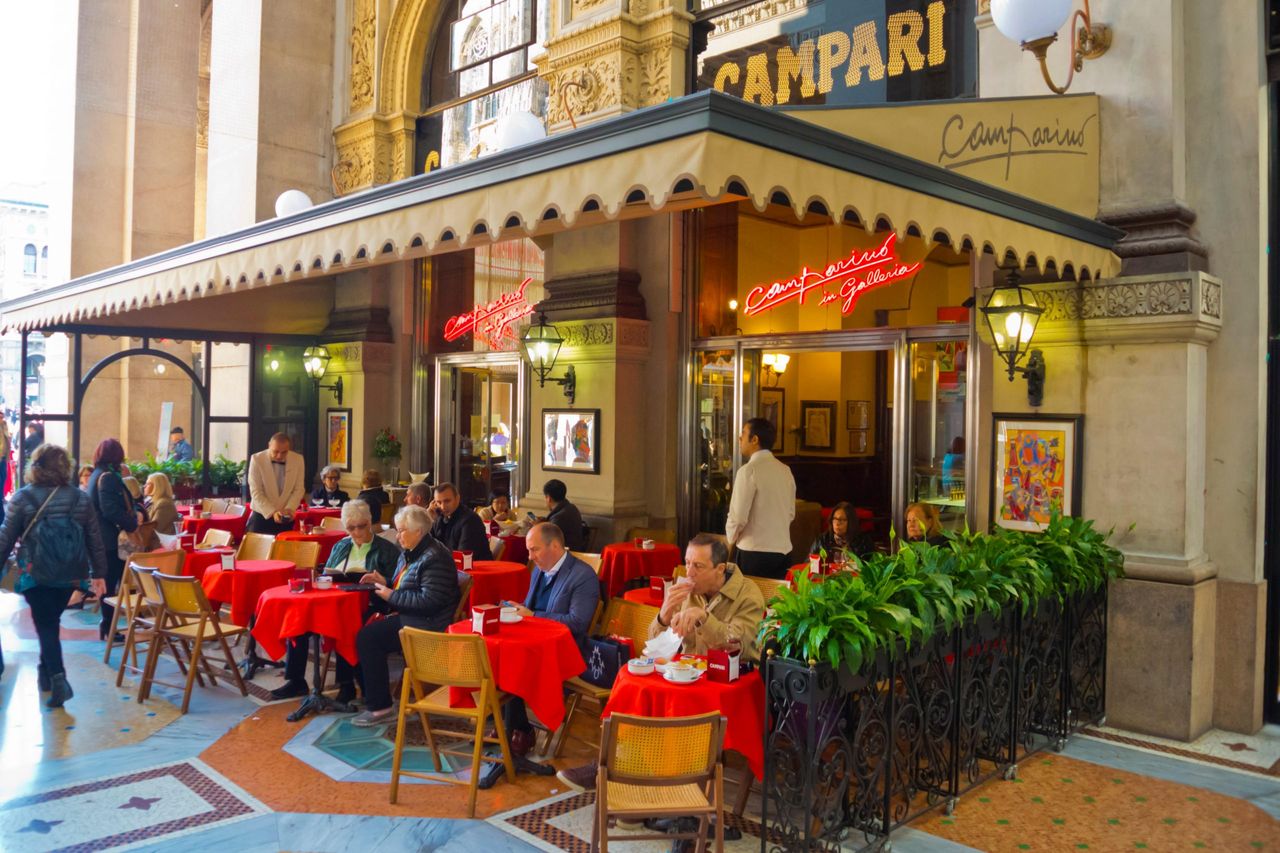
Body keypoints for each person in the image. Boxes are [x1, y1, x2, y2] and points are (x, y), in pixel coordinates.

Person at [0, 444, 108, 706]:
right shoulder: (80, 498)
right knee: (49, 620)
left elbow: (5, 538)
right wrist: (100, 574)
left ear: (35, 467)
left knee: (46, 624)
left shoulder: (23, 498)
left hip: (35, 573)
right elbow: (95, 539)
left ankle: (59, 678)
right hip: (72, 573)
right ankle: (45, 673)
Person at [273, 499, 401, 702]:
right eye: (351, 528)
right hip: (333, 601)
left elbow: (398, 584)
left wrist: (383, 579)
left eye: (362, 526)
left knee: (346, 624)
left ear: (370, 522)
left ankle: (346, 684)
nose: (357, 532)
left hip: (370, 604)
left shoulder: (387, 549)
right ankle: (296, 680)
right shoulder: (340, 546)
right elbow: (326, 574)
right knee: (298, 620)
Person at [350, 505, 461, 726]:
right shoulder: (412, 551)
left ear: (418, 531)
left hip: (427, 625)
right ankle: (368, 693)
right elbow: (406, 587)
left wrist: (391, 595)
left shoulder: (435, 557)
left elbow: (429, 602)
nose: (397, 535)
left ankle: (381, 707)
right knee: (357, 625)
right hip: (411, 616)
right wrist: (385, 582)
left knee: (368, 638)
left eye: (401, 530)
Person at [503, 522, 600, 755]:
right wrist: (518, 609)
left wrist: (533, 615)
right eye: (529, 550)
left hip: (566, 648)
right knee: (503, 654)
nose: (530, 556)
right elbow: (531, 606)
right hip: (535, 640)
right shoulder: (539, 568)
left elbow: (577, 622)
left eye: (534, 549)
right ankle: (512, 726)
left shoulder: (582, 576)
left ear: (555, 546)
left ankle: (518, 730)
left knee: (512, 662)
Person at [725, 416, 796, 579]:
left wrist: (729, 541)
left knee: (751, 603)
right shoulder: (785, 471)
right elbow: (790, 513)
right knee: (776, 603)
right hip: (783, 552)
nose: (740, 438)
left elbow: (738, 517)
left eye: (743, 433)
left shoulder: (748, 471)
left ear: (755, 439)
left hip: (754, 554)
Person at [86, 439, 141, 641]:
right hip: (110, 541)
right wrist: (132, 523)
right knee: (110, 585)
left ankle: (107, 626)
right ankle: (109, 627)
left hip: (100, 539)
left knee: (107, 584)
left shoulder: (96, 475)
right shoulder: (108, 477)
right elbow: (110, 510)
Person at [246, 432, 305, 535]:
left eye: (284, 452)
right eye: (276, 451)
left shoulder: (298, 459)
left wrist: (290, 508)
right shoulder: (257, 459)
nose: (279, 456)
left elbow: (299, 489)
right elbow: (256, 492)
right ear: (269, 445)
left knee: (284, 550)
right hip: (261, 517)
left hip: (285, 517)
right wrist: (272, 512)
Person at [429, 482, 492, 559]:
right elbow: (426, 546)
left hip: (475, 567)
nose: (443, 507)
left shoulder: (470, 520)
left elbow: (462, 557)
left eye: (447, 501)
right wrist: (428, 519)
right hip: (450, 565)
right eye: (439, 502)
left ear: (457, 499)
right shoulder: (440, 517)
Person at [810, 501, 872, 566]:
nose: (837, 523)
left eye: (841, 520)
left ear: (851, 522)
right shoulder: (822, 540)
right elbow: (808, 563)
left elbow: (870, 567)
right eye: (834, 519)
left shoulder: (863, 541)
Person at [541, 479, 586, 551]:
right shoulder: (571, 507)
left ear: (548, 498)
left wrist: (537, 527)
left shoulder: (558, 517)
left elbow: (546, 540)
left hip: (565, 554)